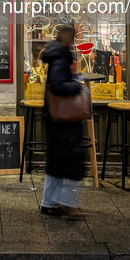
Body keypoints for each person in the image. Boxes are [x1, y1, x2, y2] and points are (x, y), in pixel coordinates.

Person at [40, 23, 86, 219]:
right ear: (67, 38)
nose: (74, 41)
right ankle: (65, 203)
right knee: (72, 161)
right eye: (73, 37)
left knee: (56, 161)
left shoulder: (56, 55)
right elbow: (58, 85)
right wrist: (76, 85)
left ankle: (49, 202)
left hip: (55, 117)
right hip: (62, 118)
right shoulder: (61, 58)